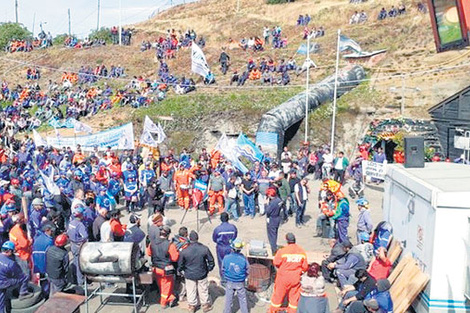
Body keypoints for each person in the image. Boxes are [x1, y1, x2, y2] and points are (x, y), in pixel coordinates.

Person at [269, 233, 308, 313]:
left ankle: (273, 311)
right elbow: (305, 267)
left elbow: (276, 262)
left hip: (283, 277)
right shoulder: (301, 251)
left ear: (287, 241)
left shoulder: (282, 251)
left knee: (278, 296)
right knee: (294, 298)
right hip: (295, 278)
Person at [178, 231, 215, 313]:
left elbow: (180, 264)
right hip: (202, 273)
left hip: (189, 274)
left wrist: (181, 271)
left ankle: (192, 306)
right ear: (197, 238)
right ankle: (205, 305)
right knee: (203, 289)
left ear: (189, 239)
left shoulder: (184, 251)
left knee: (191, 290)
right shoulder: (204, 249)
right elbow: (211, 261)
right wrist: (208, 269)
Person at [147, 226, 179, 309]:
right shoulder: (170, 245)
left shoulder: (152, 243)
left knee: (161, 285)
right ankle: (163, 302)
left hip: (156, 268)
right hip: (166, 269)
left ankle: (170, 297)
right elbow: (174, 258)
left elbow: (149, 253)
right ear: (167, 235)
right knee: (167, 285)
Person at [0, 241, 32, 313]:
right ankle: (23, 293)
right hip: (3, 283)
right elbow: (19, 275)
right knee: (24, 277)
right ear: (9, 251)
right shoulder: (11, 264)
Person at [222, 238, 249, 313]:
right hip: (240, 282)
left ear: (232, 248)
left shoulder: (226, 258)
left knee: (228, 299)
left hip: (229, 282)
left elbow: (223, 269)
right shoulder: (243, 259)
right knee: (243, 299)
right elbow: (248, 270)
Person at [67, 206, 88, 290]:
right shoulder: (80, 225)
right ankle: (81, 282)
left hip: (72, 244)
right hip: (79, 246)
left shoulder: (71, 222)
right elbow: (85, 236)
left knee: (75, 263)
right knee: (79, 264)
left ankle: (74, 279)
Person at [212, 212, 237, 283]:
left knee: (221, 262)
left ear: (220, 219)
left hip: (221, 248)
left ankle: (223, 279)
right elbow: (235, 237)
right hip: (230, 247)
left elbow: (214, 239)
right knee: (231, 262)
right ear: (228, 218)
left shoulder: (218, 229)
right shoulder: (233, 227)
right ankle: (231, 277)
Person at [32, 223, 55, 296]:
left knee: (41, 278)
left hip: (36, 261)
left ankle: (43, 292)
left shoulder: (38, 237)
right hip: (44, 262)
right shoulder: (49, 241)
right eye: (51, 231)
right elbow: (51, 253)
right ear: (47, 230)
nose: (52, 233)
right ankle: (46, 294)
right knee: (46, 279)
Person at [265, 187, 282, 254]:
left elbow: (267, 211)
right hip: (277, 218)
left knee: (271, 235)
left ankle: (273, 249)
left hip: (272, 219)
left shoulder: (273, 203)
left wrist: (266, 204)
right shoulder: (279, 200)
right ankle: (274, 246)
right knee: (275, 234)